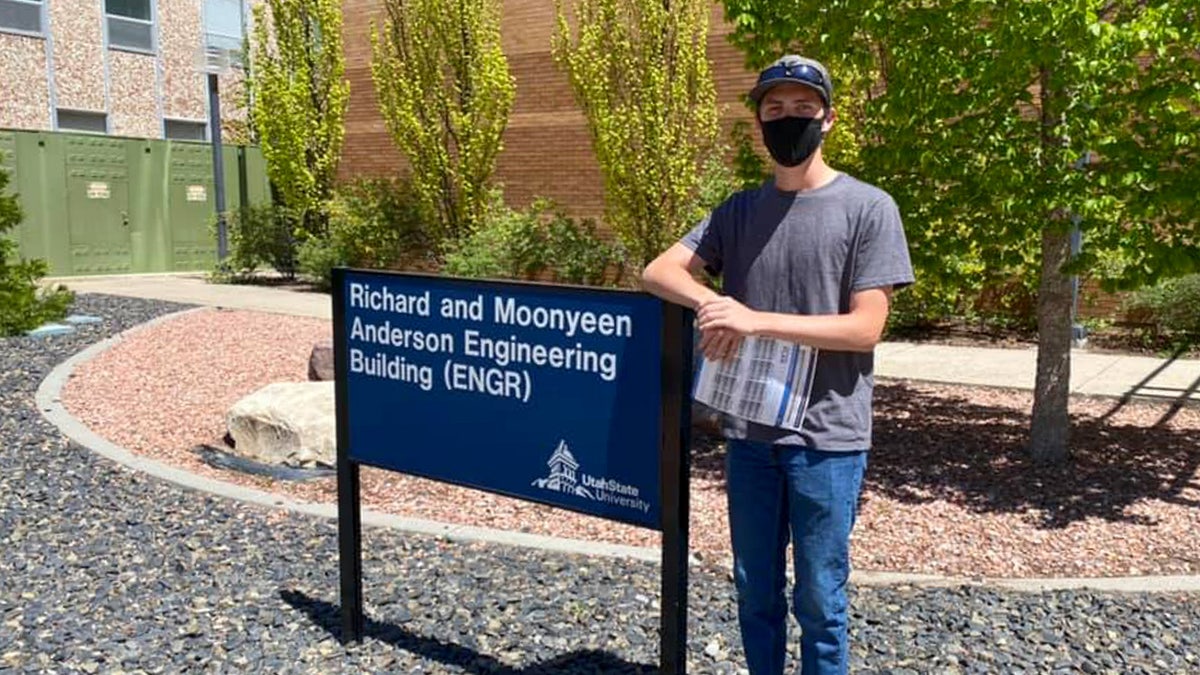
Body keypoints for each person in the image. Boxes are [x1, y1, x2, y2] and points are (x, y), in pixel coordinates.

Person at [641, 55, 915, 675]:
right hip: (750, 435)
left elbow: (865, 328)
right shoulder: (737, 212)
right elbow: (658, 272)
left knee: (820, 598)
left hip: (828, 440)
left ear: (828, 118)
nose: (786, 120)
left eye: (801, 109)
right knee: (754, 590)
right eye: (774, 109)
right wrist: (716, 304)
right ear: (759, 121)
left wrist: (753, 320)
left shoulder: (870, 209)